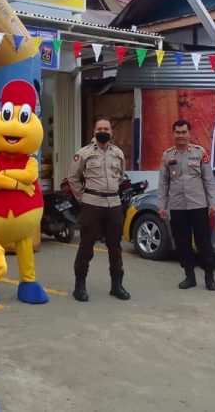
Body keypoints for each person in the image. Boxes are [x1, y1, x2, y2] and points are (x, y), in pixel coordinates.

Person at [66, 117, 130, 302]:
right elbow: (73, 177)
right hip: (92, 205)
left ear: (111, 132)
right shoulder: (84, 153)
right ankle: (79, 287)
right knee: (86, 246)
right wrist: (83, 198)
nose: (103, 131)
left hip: (114, 205)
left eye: (106, 128)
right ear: (94, 132)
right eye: (99, 128)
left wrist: (110, 192)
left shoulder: (118, 153)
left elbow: (120, 177)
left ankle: (117, 286)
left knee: (115, 247)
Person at [158, 120, 215, 291]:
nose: (180, 135)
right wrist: (162, 205)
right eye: (177, 132)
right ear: (173, 134)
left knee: (203, 242)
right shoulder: (168, 156)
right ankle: (189, 276)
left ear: (189, 134)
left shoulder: (200, 153)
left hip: (199, 206)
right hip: (178, 207)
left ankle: (209, 277)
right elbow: (163, 183)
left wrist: (212, 203)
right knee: (182, 243)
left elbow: (208, 180)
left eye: (184, 132)